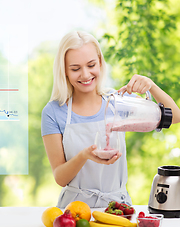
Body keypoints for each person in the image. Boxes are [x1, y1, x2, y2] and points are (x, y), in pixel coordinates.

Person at [41, 31, 180, 208]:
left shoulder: (118, 103)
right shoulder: (53, 112)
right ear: (64, 71)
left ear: (100, 62)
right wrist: (85, 156)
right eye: (75, 68)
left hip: (117, 208)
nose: (85, 75)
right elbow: (60, 177)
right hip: (74, 211)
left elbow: (175, 116)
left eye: (91, 65)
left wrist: (151, 86)